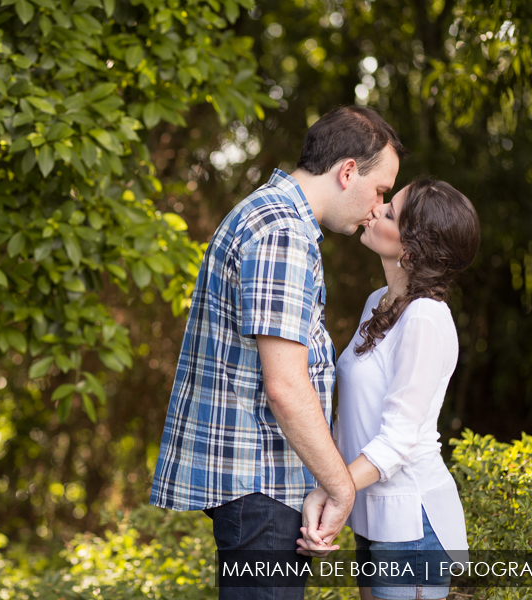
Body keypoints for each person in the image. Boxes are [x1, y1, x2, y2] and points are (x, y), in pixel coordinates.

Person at [150, 106, 406, 599]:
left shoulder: (271, 217)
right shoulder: (282, 233)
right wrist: (342, 486)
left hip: (260, 487)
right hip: (261, 485)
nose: (378, 207)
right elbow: (286, 386)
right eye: (379, 191)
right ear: (347, 171)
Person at [298, 179, 481, 600]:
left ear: (411, 249)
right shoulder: (379, 301)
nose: (376, 208)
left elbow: (397, 441)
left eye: (391, 212)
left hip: (412, 525)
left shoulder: (425, 319)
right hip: (372, 516)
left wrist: (329, 489)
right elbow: (354, 417)